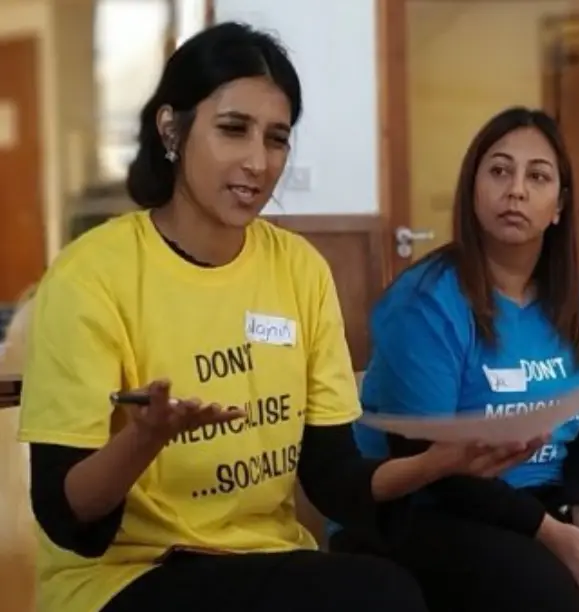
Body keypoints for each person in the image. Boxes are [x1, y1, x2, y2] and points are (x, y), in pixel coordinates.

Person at [16, 22, 524, 612]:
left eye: (277, 139)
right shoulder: (90, 277)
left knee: (391, 589)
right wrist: (144, 439)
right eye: (233, 130)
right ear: (171, 129)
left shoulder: (300, 271)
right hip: (125, 577)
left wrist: (435, 464)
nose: (258, 162)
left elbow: (333, 477)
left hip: (262, 559)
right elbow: (65, 511)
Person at [331, 107, 579, 612]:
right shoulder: (425, 301)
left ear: (558, 206)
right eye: (499, 171)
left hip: (544, 496)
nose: (516, 190)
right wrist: (550, 533)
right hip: (427, 505)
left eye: (537, 177)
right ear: (473, 189)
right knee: (550, 594)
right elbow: (425, 454)